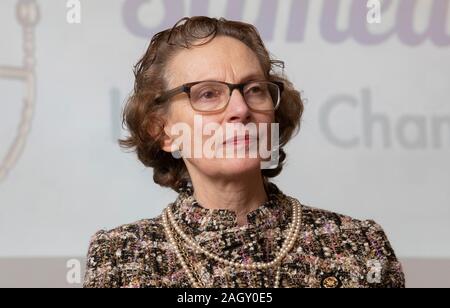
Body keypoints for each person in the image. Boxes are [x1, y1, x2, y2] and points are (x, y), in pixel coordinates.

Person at [83, 16, 405, 288]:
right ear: (162, 131)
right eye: (207, 94)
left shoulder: (361, 248)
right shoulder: (121, 257)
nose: (240, 108)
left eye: (254, 90)